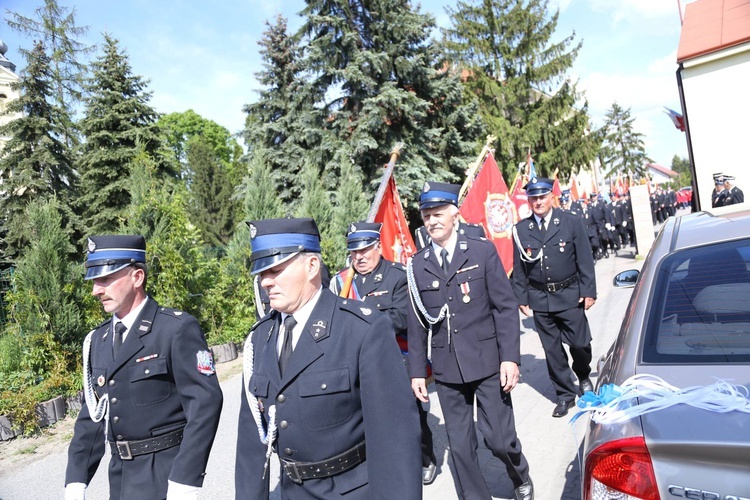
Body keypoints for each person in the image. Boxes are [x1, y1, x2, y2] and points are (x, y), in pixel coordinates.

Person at [235, 218, 421, 499]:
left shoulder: (361, 329)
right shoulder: (259, 338)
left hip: (353, 491)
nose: (266, 282)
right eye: (261, 273)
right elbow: (251, 443)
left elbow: (395, 440)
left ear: (311, 266)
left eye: (275, 269)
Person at [65, 235, 223, 500]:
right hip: (121, 478)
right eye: (94, 281)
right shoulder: (98, 340)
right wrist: (76, 482)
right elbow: (92, 416)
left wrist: (185, 479)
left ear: (137, 278)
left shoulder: (174, 329)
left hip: (166, 475)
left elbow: (205, 404)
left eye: (105, 279)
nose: (96, 290)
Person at [406, 182, 533, 500]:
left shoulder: (481, 251)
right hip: (448, 369)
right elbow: (417, 323)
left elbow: (504, 308)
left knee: (500, 440)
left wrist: (510, 358)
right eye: (426, 215)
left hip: (488, 361)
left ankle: (520, 475)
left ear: (454, 214)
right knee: (461, 447)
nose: (432, 221)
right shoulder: (416, 266)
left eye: (438, 214)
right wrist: (417, 371)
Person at [329, 221, 438, 485]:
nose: (360, 257)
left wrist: (361, 319)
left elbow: (402, 318)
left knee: (410, 415)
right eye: (354, 252)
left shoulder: (399, 276)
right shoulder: (341, 281)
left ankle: (425, 458)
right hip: (357, 361)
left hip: (397, 357)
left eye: (365, 250)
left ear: (378, 247)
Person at [511, 178, 597, 418]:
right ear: (528, 200)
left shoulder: (571, 222)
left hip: (570, 295)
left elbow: (585, 260)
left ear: (551, 197)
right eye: (533, 198)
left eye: (542, 197)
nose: (538, 202)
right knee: (552, 351)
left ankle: (582, 375)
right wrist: (521, 296)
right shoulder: (520, 230)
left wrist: (588, 291)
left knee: (580, 344)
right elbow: (519, 268)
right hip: (540, 298)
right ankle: (564, 395)